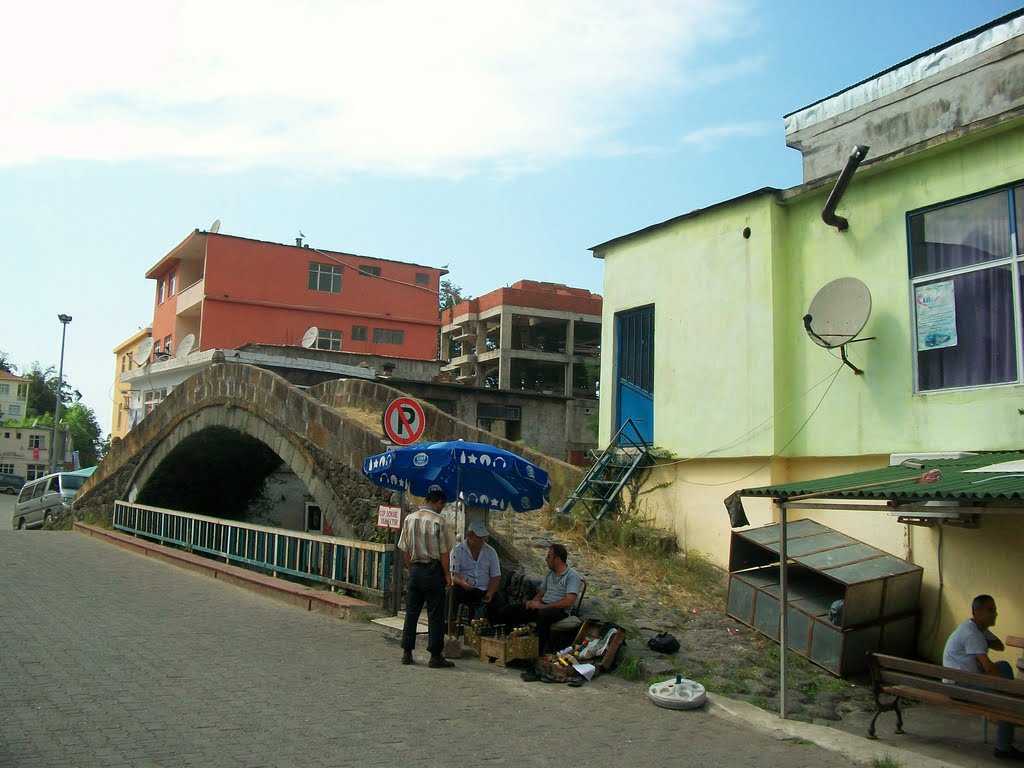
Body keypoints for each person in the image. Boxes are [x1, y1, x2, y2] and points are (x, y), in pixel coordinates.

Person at [943, 594, 1022, 760]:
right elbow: (988, 668)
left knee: (1004, 666)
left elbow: (1000, 646)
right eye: (990, 610)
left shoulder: (976, 629)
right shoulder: (972, 633)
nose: (995, 614)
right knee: (1006, 701)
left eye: (995, 610)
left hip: (961, 681)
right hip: (959, 687)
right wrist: (1009, 689)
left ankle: (1010, 705)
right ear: (976, 612)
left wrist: (985, 635)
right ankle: (1003, 747)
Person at [397, 489, 456, 669]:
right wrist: (447, 576)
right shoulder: (439, 522)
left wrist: (412, 567)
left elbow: (405, 550)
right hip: (433, 571)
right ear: (438, 502)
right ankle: (435, 655)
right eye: (442, 505)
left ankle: (407, 652)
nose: (442, 509)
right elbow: (444, 553)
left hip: (415, 570)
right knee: (435, 614)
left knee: (412, 612)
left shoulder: (409, 519)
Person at [498, 543, 580, 652]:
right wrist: (533, 602)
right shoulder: (550, 574)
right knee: (509, 611)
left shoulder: (572, 576)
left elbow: (569, 601)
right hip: (544, 606)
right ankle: (512, 647)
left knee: (543, 616)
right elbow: (542, 592)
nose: (546, 560)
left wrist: (543, 607)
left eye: (549, 557)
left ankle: (537, 653)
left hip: (559, 610)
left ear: (558, 559)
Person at [450, 520, 505, 624]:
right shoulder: (457, 550)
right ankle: (449, 622)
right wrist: (462, 582)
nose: (482, 540)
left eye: (483, 537)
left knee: (500, 602)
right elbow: (453, 573)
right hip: (465, 588)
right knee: (452, 592)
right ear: (469, 536)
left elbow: (496, 576)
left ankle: (496, 628)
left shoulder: (491, 552)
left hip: (483, 589)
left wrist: (490, 592)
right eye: (478, 537)